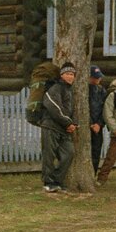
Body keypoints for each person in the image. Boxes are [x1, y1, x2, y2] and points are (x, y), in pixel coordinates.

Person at [40, 62, 77, 192]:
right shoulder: (55, 87)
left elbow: (71, 110)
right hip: (50, 126)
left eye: (72, 74)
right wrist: (68, 123)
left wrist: (73, 124)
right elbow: (54, 108)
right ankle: (48, 182)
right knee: (49, 156)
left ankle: (57, 181)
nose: (70, 76)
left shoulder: (69, 90)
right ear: (61, 75)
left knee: (69, 153)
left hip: (63, 129)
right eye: (67, 74)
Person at [88, 65, 107, 174]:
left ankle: (93, 174)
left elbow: (105, 109)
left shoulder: (102, 91)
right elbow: (83, 109)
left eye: (99, 77)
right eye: (95, 77)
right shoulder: (84, 90)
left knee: (96, 152)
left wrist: (99, 124)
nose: (98, 79)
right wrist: (90, 123)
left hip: (98, 127)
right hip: (87, 126)